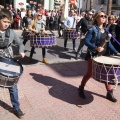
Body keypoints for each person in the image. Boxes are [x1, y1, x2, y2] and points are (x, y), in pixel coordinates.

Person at [78, 11, 120, 102]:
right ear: (96, 18)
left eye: (105, 16)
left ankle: (109, 92)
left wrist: (116, 52)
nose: (104, 17)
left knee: (106, 74)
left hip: (103, 55)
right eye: (101, 16)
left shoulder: (106, 30)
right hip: (93, 55)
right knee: (89, 73)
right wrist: (96, 48)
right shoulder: (92, 29)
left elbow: (109, 44)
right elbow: (86, 41)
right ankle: (81, 88)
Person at [0, 9, 25, 118]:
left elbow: (20, 43)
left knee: (13, 85)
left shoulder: (11, 32)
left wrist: (21, 50)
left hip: (9, 59)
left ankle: (16, 108)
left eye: (8, 22)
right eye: (4, 21)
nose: (6, 24)